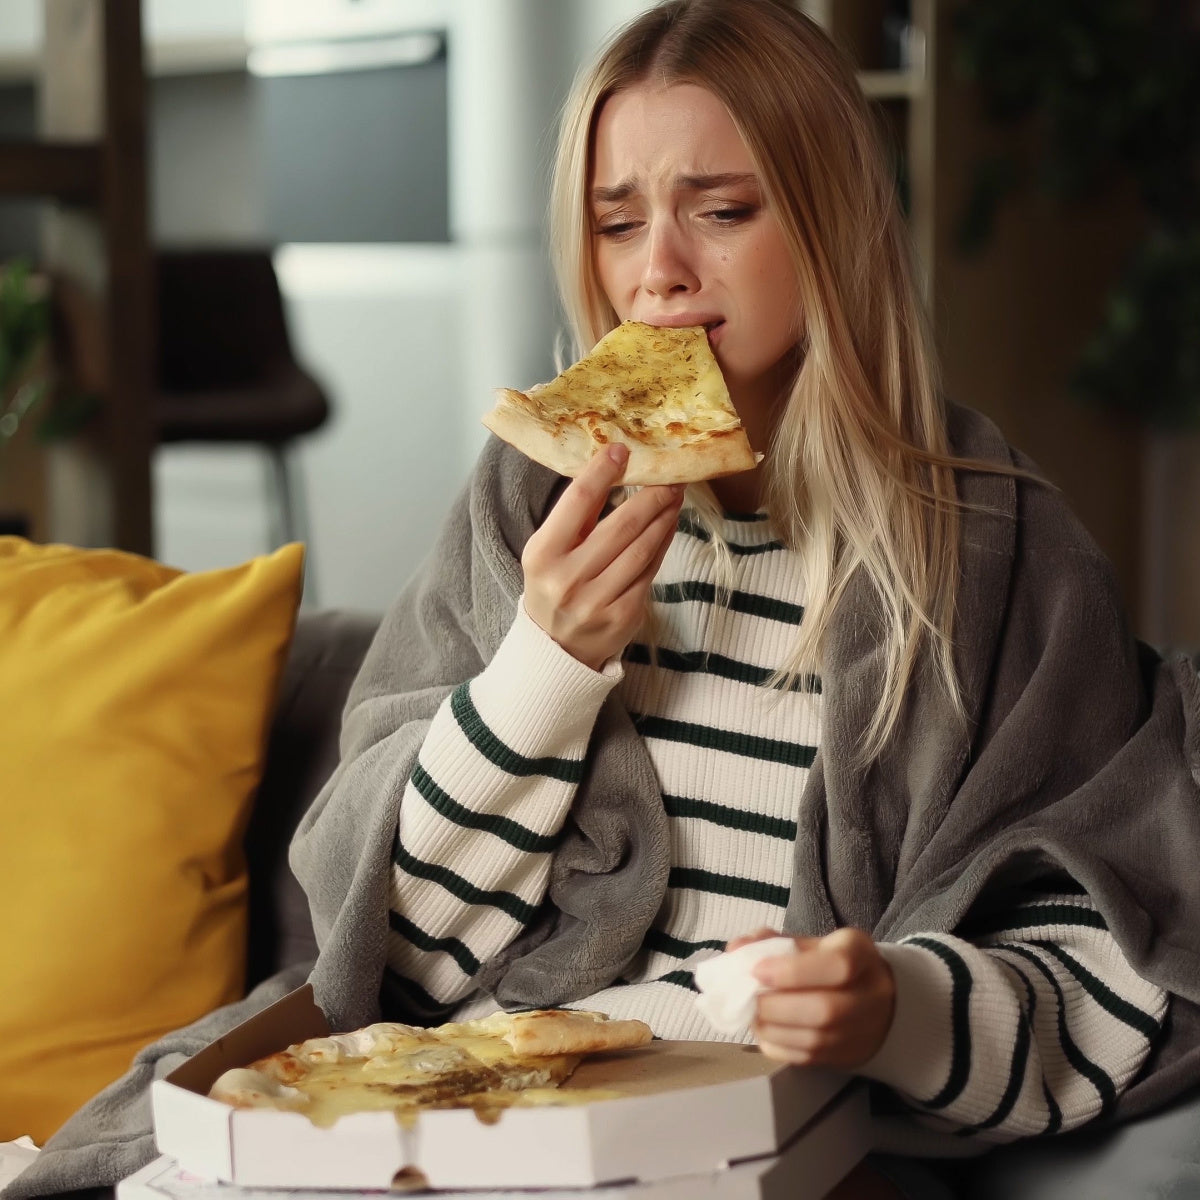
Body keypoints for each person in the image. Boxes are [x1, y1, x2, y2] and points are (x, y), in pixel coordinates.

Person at [289, 1, 1200, 1196]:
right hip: (489, 1130)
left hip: (784, 1150)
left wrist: (896, 1008)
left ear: (832, 221)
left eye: (721, 213)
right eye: (618, 223)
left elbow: (1118, 945)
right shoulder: (527, 498)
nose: (657, 272)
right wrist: (539, 675)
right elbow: (400, 966)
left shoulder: (997, 545)